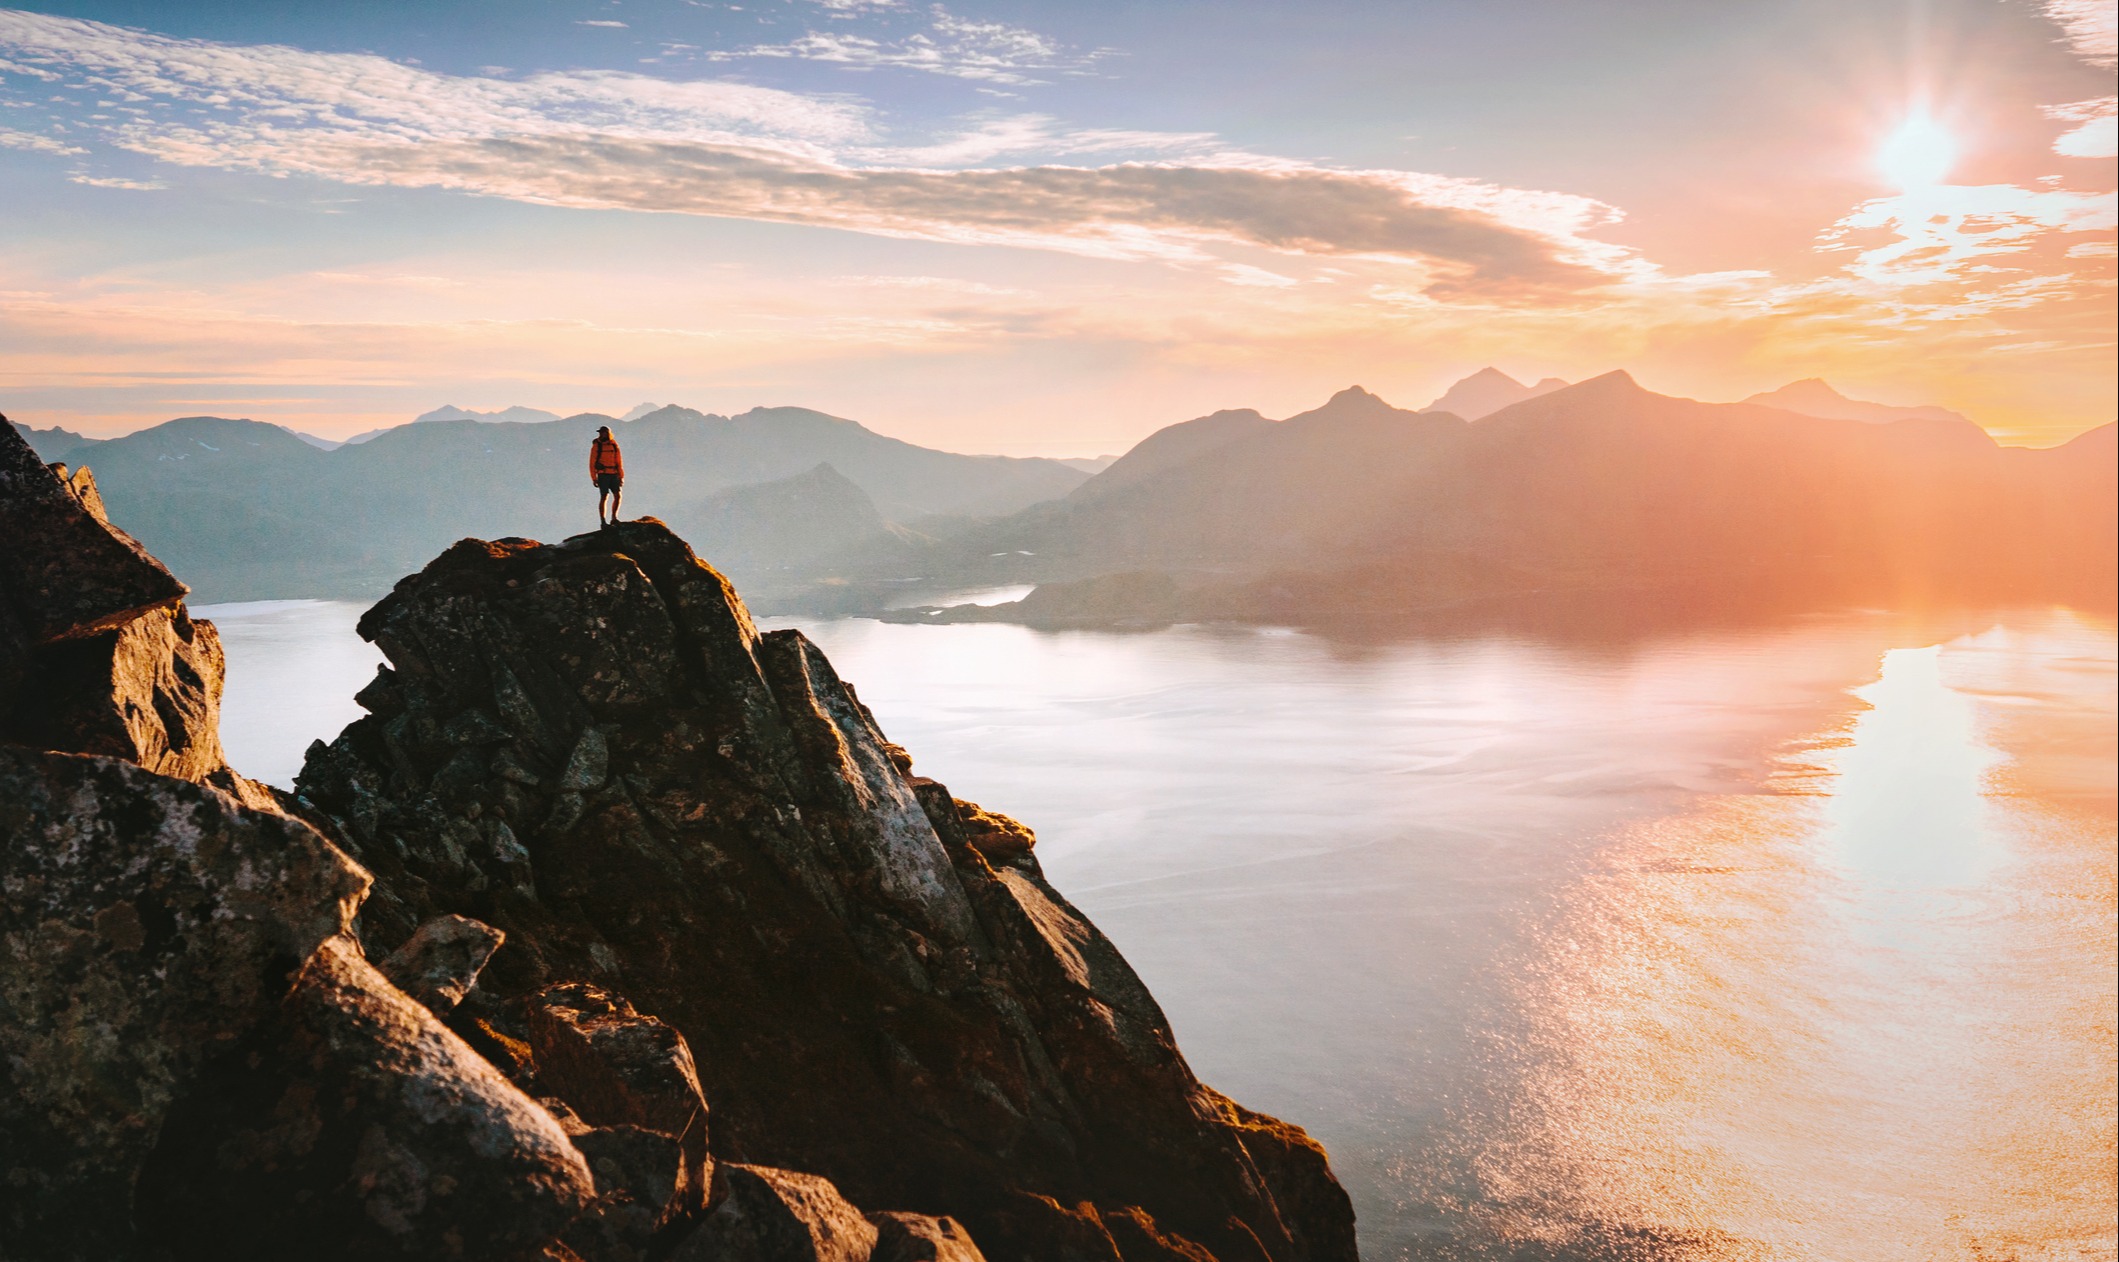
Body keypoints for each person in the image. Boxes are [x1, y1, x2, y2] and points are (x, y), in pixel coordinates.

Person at [590, 425, 625, 527]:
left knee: (618, 496)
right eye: (601, 433)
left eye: (604, 432)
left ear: (608, 433)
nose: (602, 434)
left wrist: (621, 476)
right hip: (603, 474)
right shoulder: (597, 446)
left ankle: (614, 518)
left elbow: (619, 461)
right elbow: (592, 463)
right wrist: (594, 478)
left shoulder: (614, 445)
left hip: (614, 474)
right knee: (604, 496)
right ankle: (603, 521)